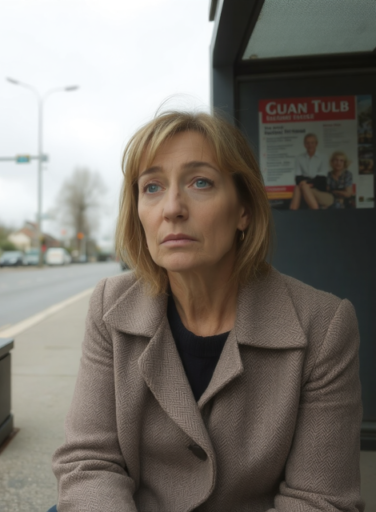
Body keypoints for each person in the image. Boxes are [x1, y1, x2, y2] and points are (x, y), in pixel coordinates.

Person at [51, 111, 364, 512]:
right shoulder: (110, 305)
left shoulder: (323, 325)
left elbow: (319, 500)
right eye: (152, 187)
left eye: (201, 182)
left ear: (244, 211)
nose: (172, 208)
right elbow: (89, 462)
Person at [290, 133, 328, 210]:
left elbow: (321, 179)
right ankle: (293, 211)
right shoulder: (299, 158)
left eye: (312, 143)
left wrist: (306, 182)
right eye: (307, 143)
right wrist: (307, 182)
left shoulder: (323, 157)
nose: (310, 145)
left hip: (318, 188)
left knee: (303, 186)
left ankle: (315, 210)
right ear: (304, 144)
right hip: (304, 186)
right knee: (298, 187)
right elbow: (297, 177)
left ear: (316, 144)